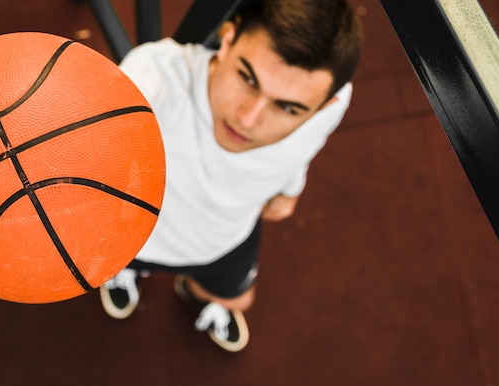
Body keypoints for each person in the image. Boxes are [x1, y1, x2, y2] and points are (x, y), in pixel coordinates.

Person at [100, 0, 362, 352]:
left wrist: (290, 188)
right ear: (228, 38)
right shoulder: (152, 79)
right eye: (247, 77)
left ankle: (191, 291)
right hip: (130, 238)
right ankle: (125, 272)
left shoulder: (332, 102)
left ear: (322, 107)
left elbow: (308, 146)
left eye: (287, 108)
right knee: (104, 265)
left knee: (240, 300)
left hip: (222, 239)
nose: (248, 119)